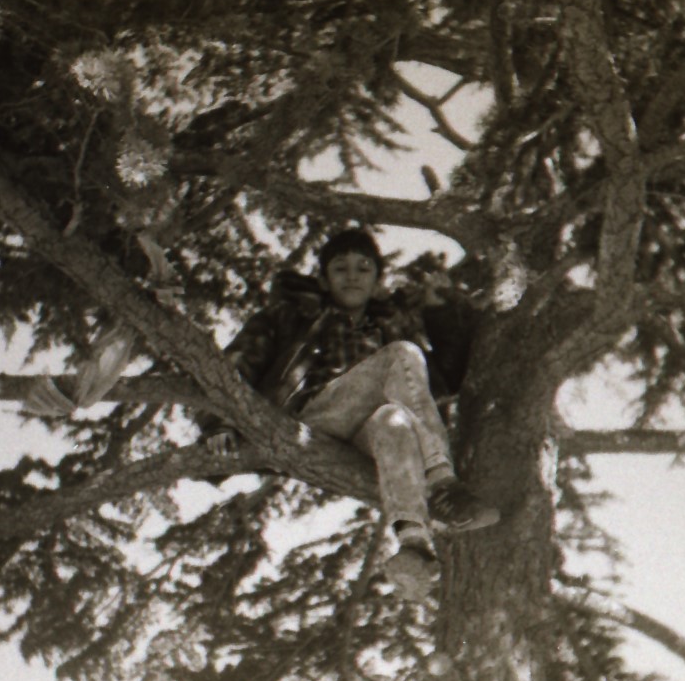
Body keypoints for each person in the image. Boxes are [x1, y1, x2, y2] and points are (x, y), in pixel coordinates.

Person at [201, 229, 497, 598]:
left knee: (396, 420)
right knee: (402, 354)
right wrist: (219, 421)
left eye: (363, 268)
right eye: (340, 269)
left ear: (377, 282)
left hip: (365, 432)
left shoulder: (387, 325)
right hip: (311, 419)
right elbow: (236, 365)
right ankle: (441, 484)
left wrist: (439, 312)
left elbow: (441, 384)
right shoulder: (290, 316)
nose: (352, 276)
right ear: (324, 281)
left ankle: (413, 543)